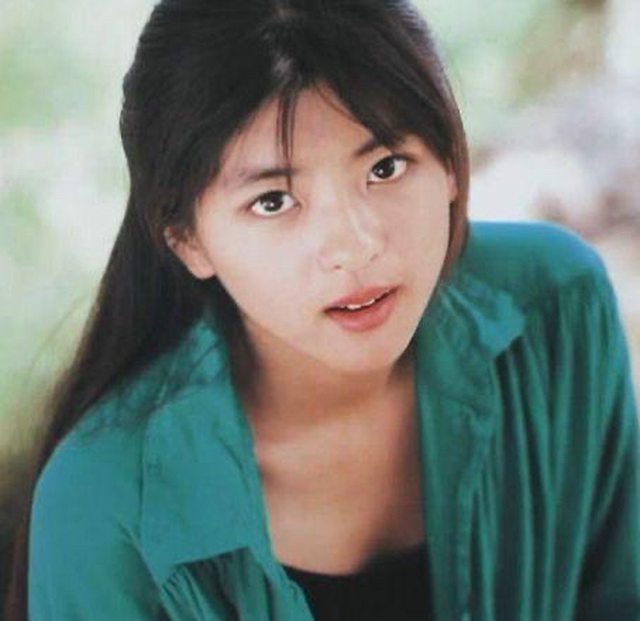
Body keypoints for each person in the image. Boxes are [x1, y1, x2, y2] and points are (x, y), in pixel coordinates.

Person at [5, 0, 640, 619]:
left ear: (451, 161)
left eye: (386, 167)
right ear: (187, 239)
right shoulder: (104, 505)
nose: (355, 246)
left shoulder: (555, 306)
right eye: (274, 201)